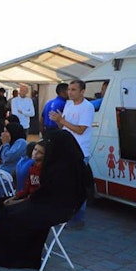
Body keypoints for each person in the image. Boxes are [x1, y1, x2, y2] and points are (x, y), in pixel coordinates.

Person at [0, 130, 89, 267]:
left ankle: (2, 254)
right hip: (46, 203)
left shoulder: (67, 168)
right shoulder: (59, 164)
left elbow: (50, 194)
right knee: (5, 207)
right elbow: (42, 192)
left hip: (57, 209)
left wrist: (20, 201)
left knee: (10, 213)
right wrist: (19, 199)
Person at [48, 79, 94, 227]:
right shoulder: (68, 105)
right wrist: (57, 120)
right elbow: (64, 128)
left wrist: (62, 120)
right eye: (69, 89)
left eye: (73, 89)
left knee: (78, 186)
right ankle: (67, 215)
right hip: (66, 150)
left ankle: (78, 218)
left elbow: (81, 129)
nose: (70, 92)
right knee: (67, 185)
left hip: (80, 151)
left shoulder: (87, 107)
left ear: (82, 91)